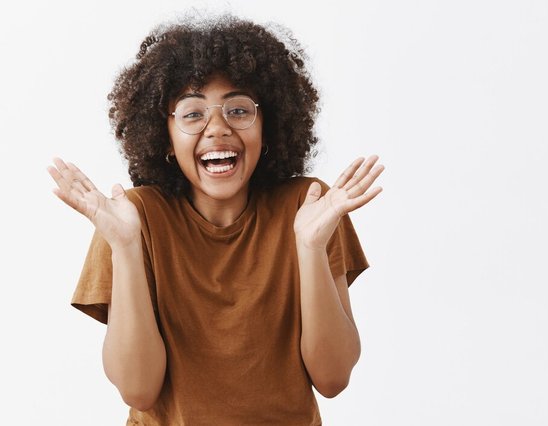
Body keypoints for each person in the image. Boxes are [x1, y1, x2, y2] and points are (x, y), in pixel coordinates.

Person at [48, 14, 383, 426]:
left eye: (239, 109)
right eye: (192, 114)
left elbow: (333, 379)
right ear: (165, 136)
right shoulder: (132, 217)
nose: (218, 128)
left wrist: (310, 248)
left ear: (268, 126)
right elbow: (138, 389)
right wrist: (126, 248)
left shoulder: (310, 205)